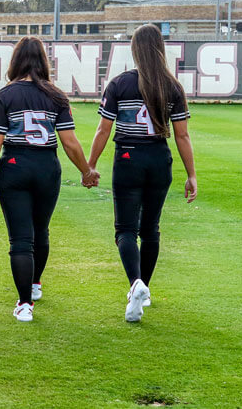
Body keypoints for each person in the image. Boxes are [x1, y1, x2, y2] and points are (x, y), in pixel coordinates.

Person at [0, 37, 99, 322]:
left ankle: (24, 303)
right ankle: (35, 284)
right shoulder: (56, 95)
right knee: (41, 231)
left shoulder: (6, 95)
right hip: (46, 166)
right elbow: (70, 143)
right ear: (43, 61)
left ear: (16, 61)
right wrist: (86, 171)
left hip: (15, 166)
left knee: (20, 239)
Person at [87, 23, 197, 323]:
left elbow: (103, 129)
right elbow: (182, 136)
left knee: (125, 229)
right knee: (151, 230)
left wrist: (91, 165)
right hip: (159, 158)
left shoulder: (120, 84)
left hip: (128, 158)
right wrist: (191, 175)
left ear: (134, 50)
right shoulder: (172, 86)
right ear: (161, 48)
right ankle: (143, 289)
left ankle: (136, 283)